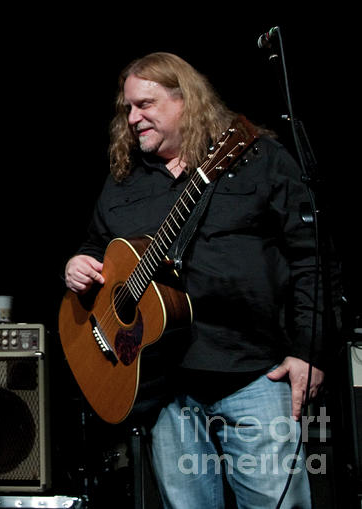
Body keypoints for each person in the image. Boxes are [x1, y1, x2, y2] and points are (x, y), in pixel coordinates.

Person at [63, 52, 329, 508]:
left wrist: (308, 350)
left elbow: (313, 258)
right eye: (127, 108)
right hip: (163, 389)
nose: (132, 118)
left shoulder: (257, 158)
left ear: (185, 100)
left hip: (254, 374)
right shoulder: (124, 181)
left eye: (144, 104)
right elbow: (98, 246)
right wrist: (78, 266)